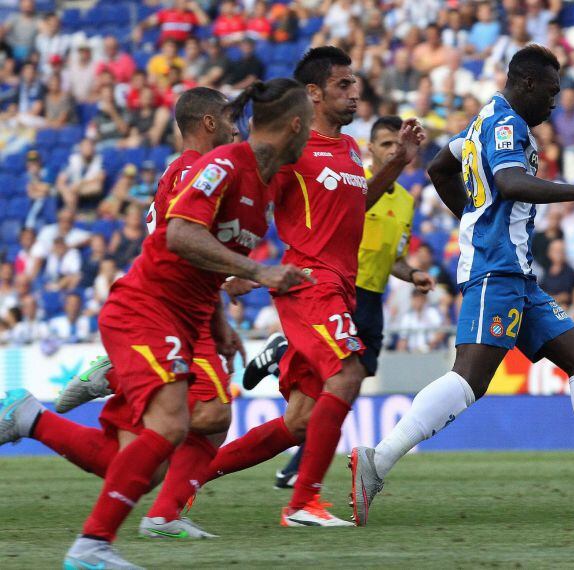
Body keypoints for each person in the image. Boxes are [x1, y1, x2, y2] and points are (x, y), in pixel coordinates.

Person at [349, 45, 574, 528]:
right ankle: (377, 461)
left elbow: (442, 166)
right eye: (551, 90)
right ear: (526, 84)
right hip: (495, 270)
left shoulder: (482, 121)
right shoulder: (507, 126)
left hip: (518, 275)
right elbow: (509, 182)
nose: (555, 101)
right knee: (470, 377)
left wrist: (471, 216)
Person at [0, 81, 313, 568]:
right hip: (147, 309)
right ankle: (91, 547)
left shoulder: (263, 182)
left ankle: (30, 418)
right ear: (296, 125)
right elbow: (180, 234)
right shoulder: (221, 166)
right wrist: (258, 271)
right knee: (179, 422)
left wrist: (220, 322)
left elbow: (202, 262)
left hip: (185, 318)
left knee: (139, 462)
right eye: (309, 124)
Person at [162, 47, 424, 528]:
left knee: (300, 419)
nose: (354, 93)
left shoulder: (346, 150)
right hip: (309, 284)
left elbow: (356, 202)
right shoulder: (291, 154)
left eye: (355, 84)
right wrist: (245, 269)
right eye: (343, 85)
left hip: (339, 287)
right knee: (348, 373)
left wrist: (399, 162)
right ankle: (303, 502)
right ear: (313, 93)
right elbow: (250, 205)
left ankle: (188, 480)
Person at [243, 115, 432, 488]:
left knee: (347, 384)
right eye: (386, 145)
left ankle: (301, 455)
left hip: (371, 298)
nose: (394, 150)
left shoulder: (406, 201)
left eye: (398, 145)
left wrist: (412, 275)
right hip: (335, 288)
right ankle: (302, 471)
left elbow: (394, 258)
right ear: (371, 149)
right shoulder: (349, 177)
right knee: (343, 376)